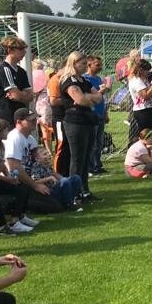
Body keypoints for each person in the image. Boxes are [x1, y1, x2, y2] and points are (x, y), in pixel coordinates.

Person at [59, 51, 104, 203]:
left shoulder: (83, 80)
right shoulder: (68, 80)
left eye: (86, 63)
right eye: (82, 63)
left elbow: (98, 97)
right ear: (73, 63)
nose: (86, 66)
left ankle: (85, 191)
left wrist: (88, 98)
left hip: (88, 121)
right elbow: (81, 100)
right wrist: (88, 98)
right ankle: (74, 192)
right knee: (77, 159)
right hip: (75, 122)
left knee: (86, 157)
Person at [0, 118, 36, 235]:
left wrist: (10, 178)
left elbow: (1, 164)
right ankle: (14, 221)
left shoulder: (0, 145)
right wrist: (6, 179)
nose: (7, 132)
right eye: (5, 130)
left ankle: (20, 215)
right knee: (20, 190)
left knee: (23, 186)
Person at [0, 36, 33, 124]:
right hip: (8, 118)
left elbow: (30, 96)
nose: (24, 52)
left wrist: (20, 94)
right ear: (10, 50)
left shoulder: (21, 71)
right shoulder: (4, 69)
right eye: (21, 49)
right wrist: (22, 94)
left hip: (21, 116)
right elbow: (15, 95)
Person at [84, 56, 110, 175]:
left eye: (100, 64)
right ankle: (90, 167)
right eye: (97, 65)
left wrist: (105, 112)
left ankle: (97, 165)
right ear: (89, 65)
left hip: (100, 114)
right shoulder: (85, 79)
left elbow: (102, 98)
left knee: (99, 142)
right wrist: (101, 92)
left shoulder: (99, 79)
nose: (100, 67)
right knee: (92, 143)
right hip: (91, 114)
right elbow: (88, 97)